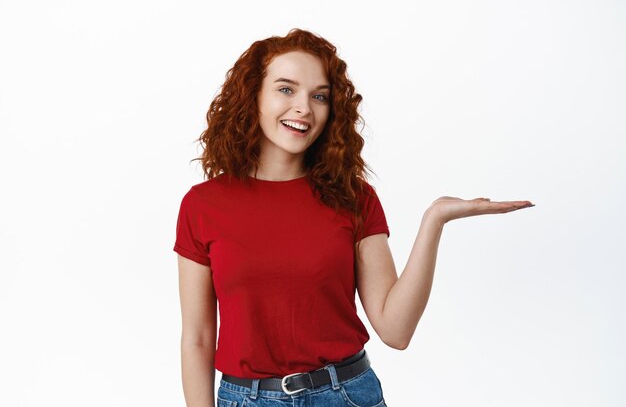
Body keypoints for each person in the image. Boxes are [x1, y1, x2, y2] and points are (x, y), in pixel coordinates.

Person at [173, 28, 534, 407]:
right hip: (246, 399)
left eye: (319, 96)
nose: (303, 108)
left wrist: (435, 219)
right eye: (285, 89)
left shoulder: (353, 197)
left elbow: (396, 331)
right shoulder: (203, 205)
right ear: (253, 96)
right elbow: (197, 336)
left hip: (346, 395)